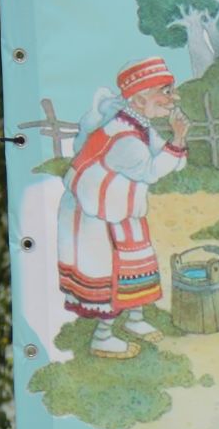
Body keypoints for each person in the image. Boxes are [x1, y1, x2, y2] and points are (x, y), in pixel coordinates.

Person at [56, 57, 188, 359]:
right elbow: (151, 170)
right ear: (140, 100)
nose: (173, 98)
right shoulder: (123, 137)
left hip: (120, 212)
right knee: (110, 274)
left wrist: (176, 144)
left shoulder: (138, 125)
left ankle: (136, 318)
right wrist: (178, 138)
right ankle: (102, 337)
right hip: (96, 215)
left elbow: (169, 160)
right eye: (165, 92)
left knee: (137, 262)